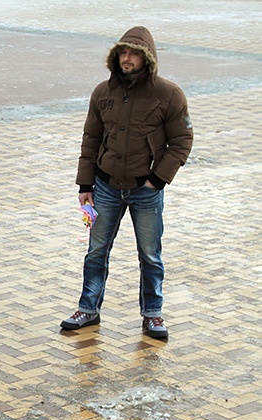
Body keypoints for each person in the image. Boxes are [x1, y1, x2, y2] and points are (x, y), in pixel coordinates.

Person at [61, 26, 193, 339]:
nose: (126, 58)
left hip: (145, 190)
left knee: (150, 254)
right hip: (105, 188)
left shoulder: (169, 94)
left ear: (147, 58)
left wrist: (157, 180)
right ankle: (88, 308)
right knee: (96, 252)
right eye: (122, 52)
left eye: (133, 53)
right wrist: (85, 186)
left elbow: (182, 141)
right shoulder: (102, 93)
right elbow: (91, 140)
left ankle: (153, 314)